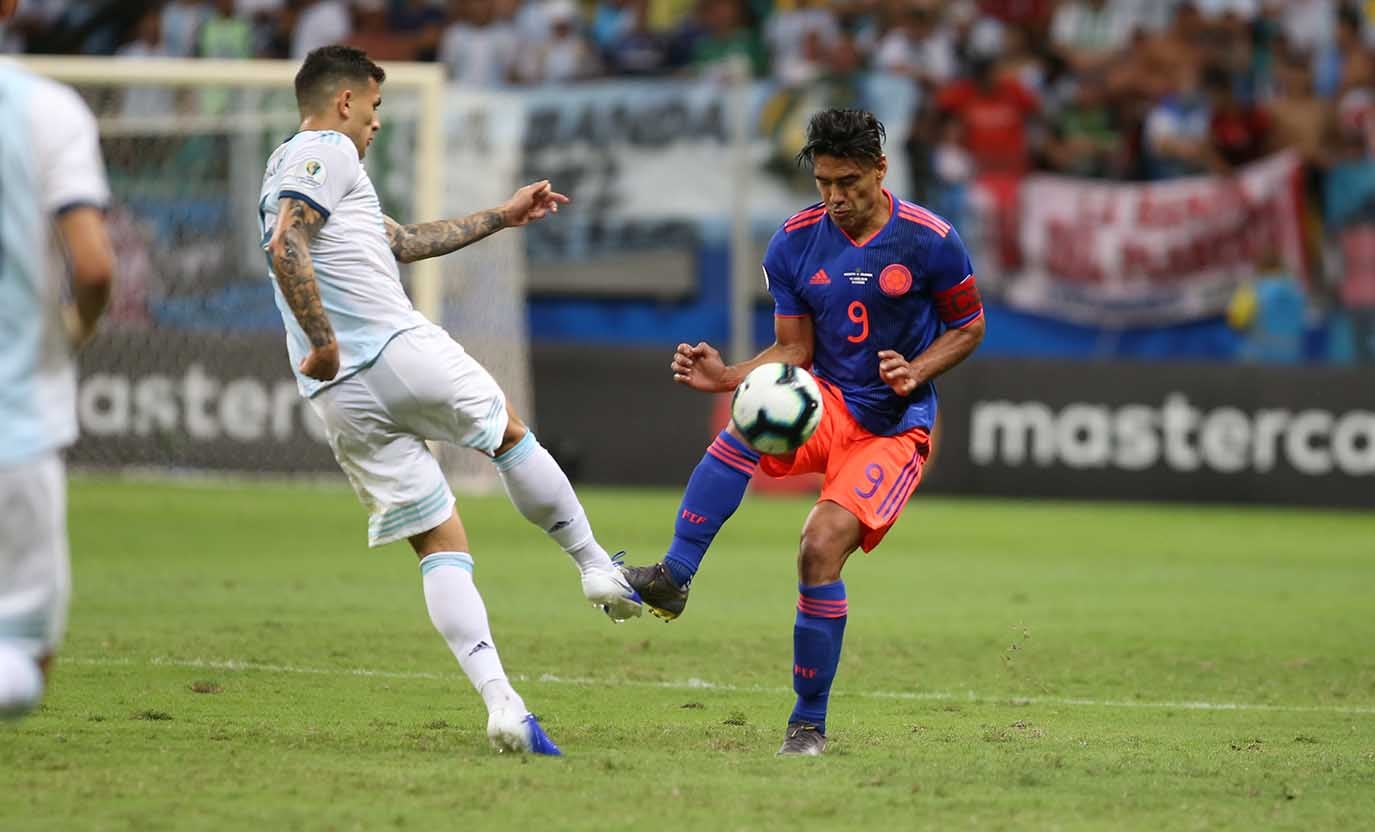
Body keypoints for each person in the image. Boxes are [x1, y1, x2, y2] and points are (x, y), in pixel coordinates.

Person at [258, 46, 642, 755]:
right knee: (508, 434)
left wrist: (502, 214)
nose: (376, 124)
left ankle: (503, 707)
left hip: (339, 396)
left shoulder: (296, 168)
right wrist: (325, 338)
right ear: (345, 102)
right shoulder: (324, 150)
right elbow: (287, 245)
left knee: (438, 543)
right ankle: (596, 566)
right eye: (374, 108)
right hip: (388, 350)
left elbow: (402, 242)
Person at [621, 109, 985, 756]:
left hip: (893, 428)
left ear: (880, 170)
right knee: (753, 412)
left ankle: (807, 724)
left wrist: (917, 370)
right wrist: (728, 376)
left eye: (848, 182)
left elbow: (968, 325)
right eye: (823, 183)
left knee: (817, 549)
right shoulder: (793, 243)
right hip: (828, 403)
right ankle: (674, 576)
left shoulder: (931, 240)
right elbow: (794, 350)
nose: (835, 197)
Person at [0, 60, 115, 717]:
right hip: (13, 424)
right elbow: (93, 267)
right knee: (22, 659)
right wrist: (77, 329)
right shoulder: (46, 110)